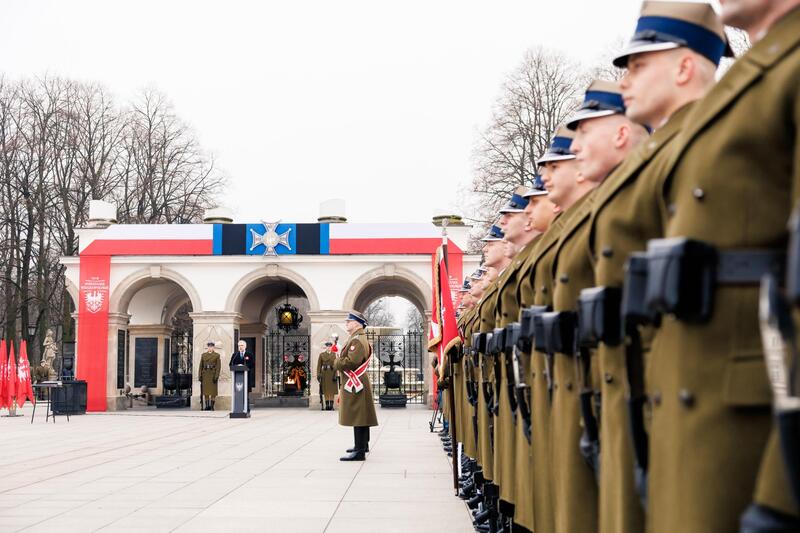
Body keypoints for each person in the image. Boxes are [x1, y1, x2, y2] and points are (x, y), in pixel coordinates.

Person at [638, 0, 800, 530]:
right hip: (696, 415)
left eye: (640, 64)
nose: (629, 80)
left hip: (752, 427)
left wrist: (782, 490)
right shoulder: (753, 78)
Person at [585, 4, 726, 532]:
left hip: (700, 392)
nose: (626, 81)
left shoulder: (705, 141)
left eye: (639, 66)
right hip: (641, 388)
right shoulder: (666, 155)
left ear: (685, 67)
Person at [335, 311, 378, 461]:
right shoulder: (357, 338)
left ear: (357, 323)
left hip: (355, 382)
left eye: (349, 321)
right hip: (357, 381)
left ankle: (359, 451)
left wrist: (337, 361)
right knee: (361, 413)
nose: (346, 323)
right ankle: (362, 445)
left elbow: (351, 362)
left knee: (358, 415)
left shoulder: (357, 341)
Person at [230, 340, 255, 411]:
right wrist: (237, 366)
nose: (240, 347)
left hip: (246, 377)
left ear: (245, 346)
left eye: (242, 345)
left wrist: (245, 367)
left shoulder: (249, 354)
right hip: (237, 378)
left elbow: (252, 364)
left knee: (246, 394)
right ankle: (237, 409)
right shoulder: (235, 355)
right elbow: (231, 364)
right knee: (238, 393)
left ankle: (246, 409)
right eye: (239, 346)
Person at [199, 340, 221, 411]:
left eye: (211, 346)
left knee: (213, 392)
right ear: (207, 347)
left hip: (212, 375)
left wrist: (216, 376)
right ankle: (207, 406)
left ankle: (212, 406)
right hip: (205, 375)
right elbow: (201, 366)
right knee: (206, 392)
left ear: (213, 347)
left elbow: (218, 367)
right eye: (209, 346)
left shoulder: (217, 355)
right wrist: (200, 375)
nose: (210, 348)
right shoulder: (203, 355)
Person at [317, 341, 338, 411]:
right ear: (325, 347)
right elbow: (319, 365)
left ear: (331, 347)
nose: (328, 348)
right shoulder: (322, 355)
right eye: (327, 346)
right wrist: (318, 374)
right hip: (324, 374)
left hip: (332, 373)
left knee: (332, 390)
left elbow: (336, 365)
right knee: (325, 390)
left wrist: (336, 374)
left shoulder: (334, 355)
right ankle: (327, 405)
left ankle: (331, 405)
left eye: (330, 346)